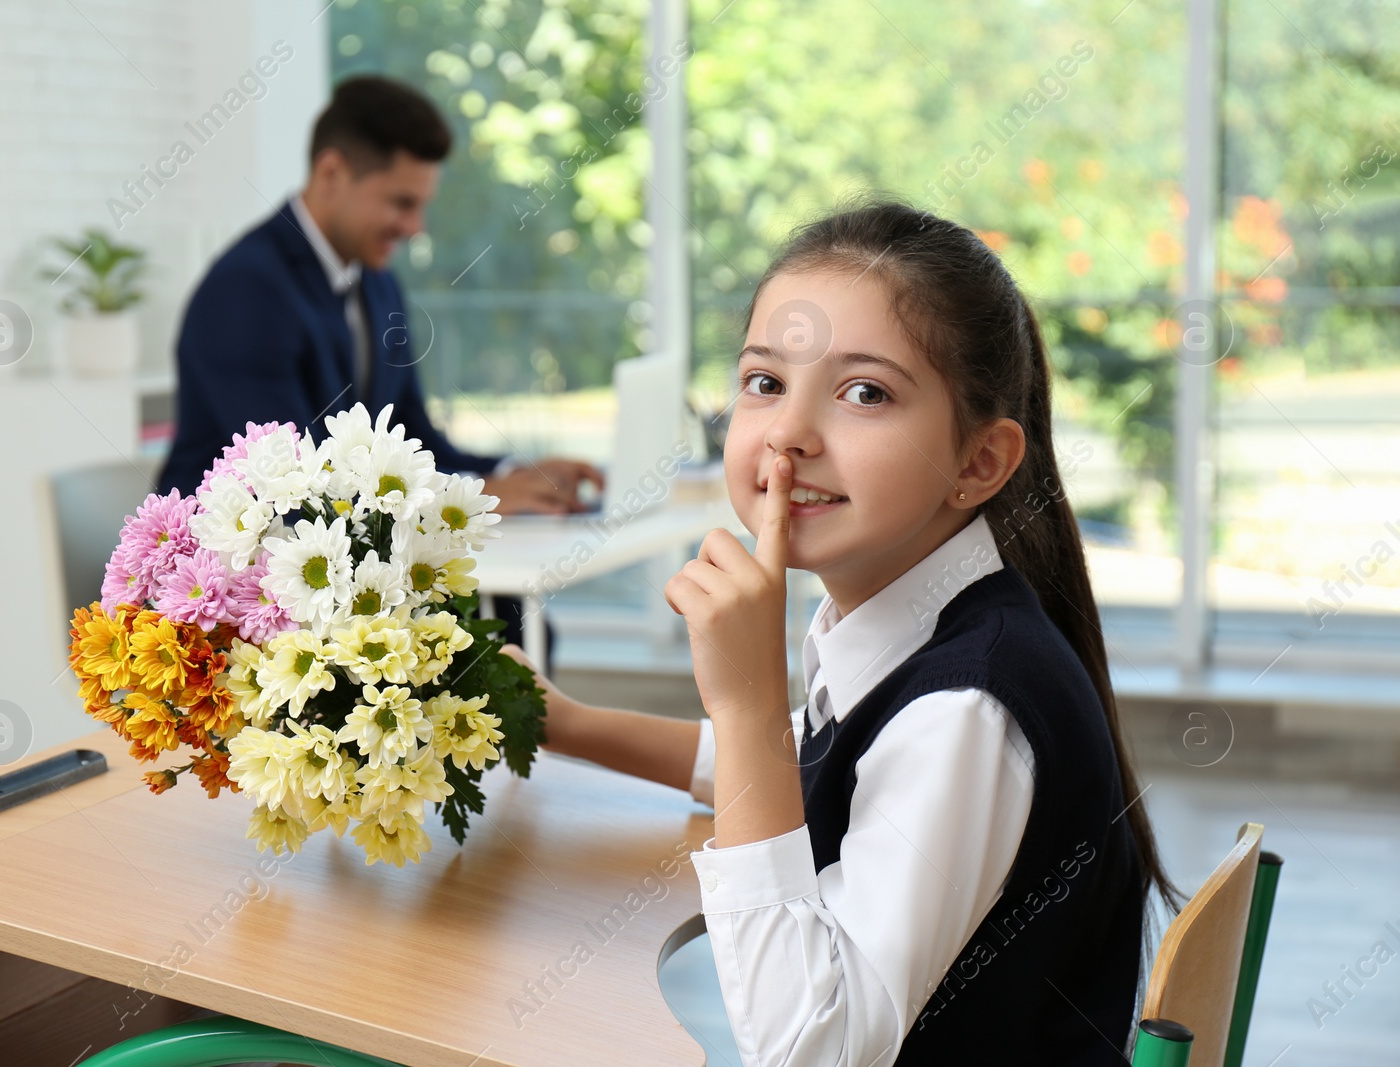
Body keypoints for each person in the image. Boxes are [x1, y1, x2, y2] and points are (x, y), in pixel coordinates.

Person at [503, 199, 1179, 1063]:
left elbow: (811, 1048)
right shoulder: (912, 620)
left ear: (979, 463)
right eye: (764, 382)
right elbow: (812, 759)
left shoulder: (967, 709)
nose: (788, 434)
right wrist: (569, 721)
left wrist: (744, 700)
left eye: (865, 393)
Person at [157, 75, 601, 650]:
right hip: (246, 586)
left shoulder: (377, 282)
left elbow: (414, 440)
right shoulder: (246, 289)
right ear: (333, 173)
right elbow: (300, 481)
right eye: (401, 202)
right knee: (498, 636)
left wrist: (517, 474)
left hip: (338, 561)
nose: (414, 227)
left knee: (510, 626)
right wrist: (475, 493)